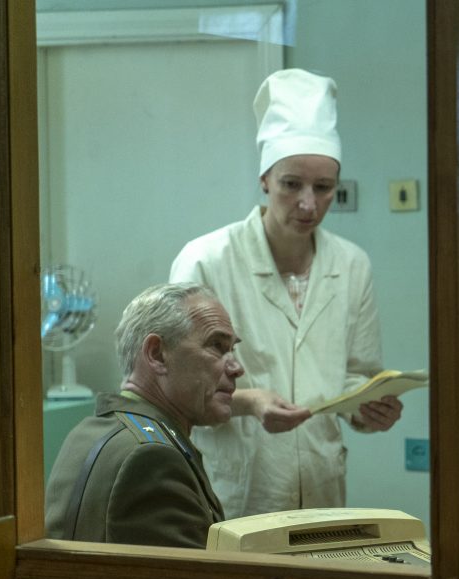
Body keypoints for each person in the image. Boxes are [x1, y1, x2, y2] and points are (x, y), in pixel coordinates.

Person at [170, 69, 402, 519]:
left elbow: (356, 374)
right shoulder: (206, 262)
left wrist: (367, 408)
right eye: (291, 184)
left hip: (322, 488)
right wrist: (250, 402)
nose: (308, 204)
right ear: (265, 179)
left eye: (324, 187)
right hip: (236, 494)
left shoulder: (352, 265)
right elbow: (177, 388)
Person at [44, 283, 241, 548]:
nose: (236, 368)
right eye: (217, 346)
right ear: (156, 354)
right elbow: (196, 575)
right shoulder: (154, 458)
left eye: (232, 349)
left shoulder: (88, 431)